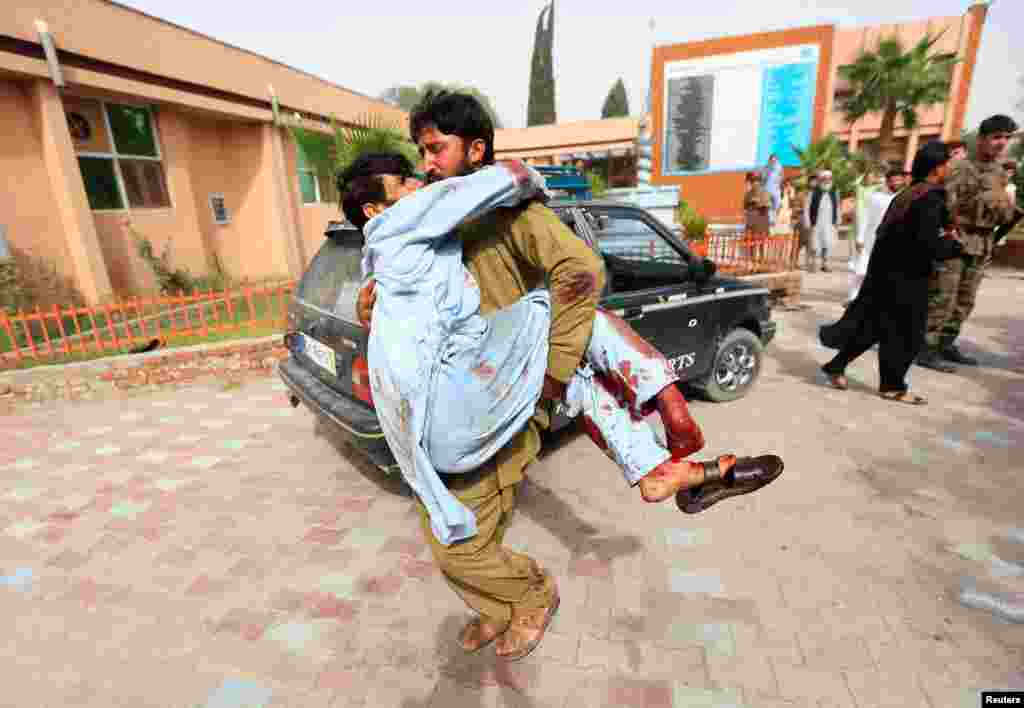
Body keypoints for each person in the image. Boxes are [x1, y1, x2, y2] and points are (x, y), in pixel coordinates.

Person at [352, 90, 782, 661]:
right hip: (459, 393)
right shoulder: (439, 221)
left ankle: (531, 598)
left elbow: (580, 274)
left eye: (436, 150)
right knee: (469, 524)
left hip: (502, 402)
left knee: (456, 541)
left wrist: (550, 381)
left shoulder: (512, 215)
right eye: (420, 155)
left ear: (476, 149)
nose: (426, 166)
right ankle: (671, 474)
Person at [819, 141, 964, 404]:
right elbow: (926, 244)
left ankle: (836, 365)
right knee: (907, 335)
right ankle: (892, 385)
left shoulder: (908, 194)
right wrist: (955, 247)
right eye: (947, 164)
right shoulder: (929, 198)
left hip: (886, 274)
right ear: (937, 168)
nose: (949, 169)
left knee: (874, 326)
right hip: (907, 279)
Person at [918, 115, 1022, 372]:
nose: (1002, 143)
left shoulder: (1000, 172)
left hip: (983, 241)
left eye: (1007, 138)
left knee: (966, 299)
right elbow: (942, 206)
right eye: (997, 137)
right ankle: (925, 347)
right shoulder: (958, 168)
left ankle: (945, 343)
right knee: (943, 295)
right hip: (957, 238)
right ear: (982, 139)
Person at [849, 168, 903, 303]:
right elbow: (865, 217)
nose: (896, 183)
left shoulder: (904, 198)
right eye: (893, 180)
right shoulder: (876, 197)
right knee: (861, 271)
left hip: (893, 242)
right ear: (887, 181)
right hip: (871, 240)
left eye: (899, 180)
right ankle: (853, 298)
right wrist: (860, 238)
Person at [803, 169, 839, 272]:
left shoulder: (834, 192)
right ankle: (813, 263)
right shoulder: (813, 192)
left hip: (828, 222)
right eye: (824, 179)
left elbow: (837, 207)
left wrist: (837, 221)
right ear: (820, 180)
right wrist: (808, 222)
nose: (827, 181)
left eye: (829, 179)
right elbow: (807, 207)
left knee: (826, 243)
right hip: (816, 222)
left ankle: (824, 264)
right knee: (814, 244)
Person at [762, 154, 784, 226]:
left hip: (776, 189)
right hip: (767, 188)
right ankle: (771, 220)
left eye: (775, 159)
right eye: (772, 159)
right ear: (770, 160)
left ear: (777, 160)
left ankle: (774, 218)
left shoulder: (779, 167)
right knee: (769, 205)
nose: (773, 161)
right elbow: (763, 178)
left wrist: (780, 182)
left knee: (778, 204)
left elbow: (781, 176)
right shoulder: (766, 167)